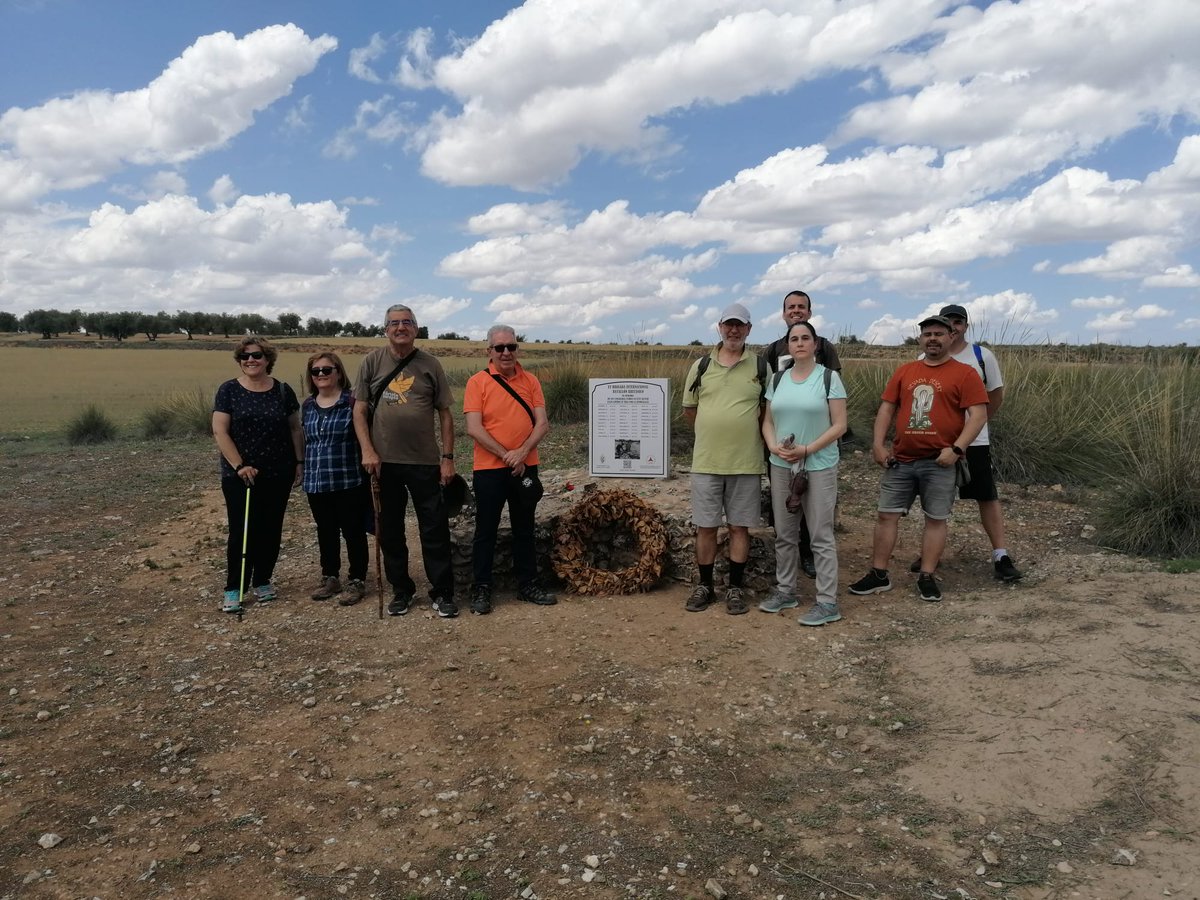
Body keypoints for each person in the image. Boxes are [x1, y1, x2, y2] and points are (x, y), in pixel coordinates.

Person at [849, 316, 988, 603]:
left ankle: (926, 575)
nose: (932, 339)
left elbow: (978, 415)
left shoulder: (965, 374)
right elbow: (887, 409)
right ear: (920, 338)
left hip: (939, 461)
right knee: (886, 515)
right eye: (927, 334)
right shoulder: (906, 371)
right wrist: (877, 444)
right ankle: (878, 574)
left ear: (951, 336)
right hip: (901, 459)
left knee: (935, 519)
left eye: (939, 333)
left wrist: (958, 449)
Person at [353, 304, 458, 619]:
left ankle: (442, 593)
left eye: (407, 322)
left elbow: (445, 414)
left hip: (425, 462)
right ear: (385, 329)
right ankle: (402, 590)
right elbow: (358, 411)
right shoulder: (371, 362)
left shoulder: (430, 364)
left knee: (434, 529)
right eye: (394, 323)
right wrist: (368, 451)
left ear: (416, 328)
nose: (401, 327)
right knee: (390, 530)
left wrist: (448, 458)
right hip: (384, 463)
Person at [909, 304, 1022, 582]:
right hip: (937, 440)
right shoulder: (924, 356)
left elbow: (995, 395)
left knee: (985, 495)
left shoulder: (982, 356)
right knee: (934, 500)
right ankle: (930, 555)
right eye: (948, 322)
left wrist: (977, 423)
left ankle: (1000, 554)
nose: (954, 326)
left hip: (975, 443)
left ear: (965, 326)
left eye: (959, 322)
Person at [462, 326, 556, 615]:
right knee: (485, 530)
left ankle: (528, 584)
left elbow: (542, 423)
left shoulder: (531, 381)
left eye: (511, 347)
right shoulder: (477, 383)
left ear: (517, 349)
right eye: (499, 347)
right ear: (488, 351)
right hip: (489, 469)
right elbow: (474, 428)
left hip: (525, 466)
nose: (506, 353)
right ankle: (482, 587)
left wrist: (522, 453)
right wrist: (508, 455)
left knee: (524, 528)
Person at [760, 321, 848, 625]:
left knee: (820, 535)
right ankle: (786, 590)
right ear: (788, 345)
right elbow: (768, 421)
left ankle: (827, 602)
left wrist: (808, 449)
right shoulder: (778, 380)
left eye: (805, 338)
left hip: (819, 466)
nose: (799, 343)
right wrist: (773, 446)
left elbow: (839, 425)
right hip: (783, 465)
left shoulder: (828, 378)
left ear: (815, 344)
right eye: (794, 338)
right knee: (785, 533)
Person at [681, 302, 766, 615]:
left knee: (739, 528)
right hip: (707, 462)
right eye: (728, 324)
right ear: (719, 327)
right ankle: (705, 587)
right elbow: (690, 410)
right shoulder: (701, 366)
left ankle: (735, 589)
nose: (734, 330)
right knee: (705, 526)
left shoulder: (759, 367)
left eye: (739, 325)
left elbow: (766, 412)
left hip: (746, 462)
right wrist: (714, 431)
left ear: (749, 330)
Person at [211, 336, 302, 614]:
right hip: (240, 475)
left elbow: (295, 429)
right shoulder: (228, 390)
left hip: (278, 471)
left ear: (267, 359)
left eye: (257, 355)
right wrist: (240, 466)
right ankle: (234, 588)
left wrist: (299, 461)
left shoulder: (283, 391)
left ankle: (263, 580)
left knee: (271, 529)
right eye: (245, 356)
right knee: (242, 530)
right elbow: (220, 431)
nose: (250, 360)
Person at [301, 351, 368, 606]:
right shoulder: (308, 405)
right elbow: (304, 439)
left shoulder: (353, 402)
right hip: (316, 481)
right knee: (326, 531)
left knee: (353, 531)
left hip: (348, 479)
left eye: (326, 370)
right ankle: (330, 577)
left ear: (338, 372)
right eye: (316, 371)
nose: (321, 375)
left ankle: (357, 579)